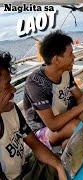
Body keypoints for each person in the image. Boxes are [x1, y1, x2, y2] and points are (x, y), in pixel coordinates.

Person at [24, 30, 83, 148]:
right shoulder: (35, 83)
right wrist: (82, 108)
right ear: (56, 60)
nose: (74, 57)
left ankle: (69, 141)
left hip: (65, 114)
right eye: (71, 54)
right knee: (75, 126)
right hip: (43, 131)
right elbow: (52, 124)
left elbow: (79, 97)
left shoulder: (65, 71)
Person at [0, 51, 66, 180]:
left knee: (61, 164)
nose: (13, 90)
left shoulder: (11, 110)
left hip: (25, 166)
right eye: (7, 85)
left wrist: (58, 166)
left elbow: (34, 144)